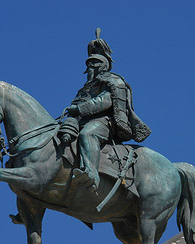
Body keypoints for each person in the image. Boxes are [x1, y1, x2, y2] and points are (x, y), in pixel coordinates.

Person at [63, 29, 151, 190]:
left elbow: (104, 101)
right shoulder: (86, 87)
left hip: (104, 122)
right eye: (88, 64)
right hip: (81, 120)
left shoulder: (113, 81)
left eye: (94, 63)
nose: (90, 66)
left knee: (87, 135)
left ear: (103, 66)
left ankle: (91, 174)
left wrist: (79, 109)